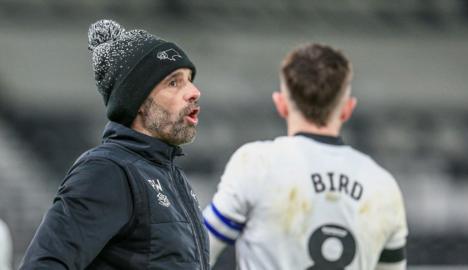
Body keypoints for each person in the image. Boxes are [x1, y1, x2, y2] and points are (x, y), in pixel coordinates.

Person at [20, 19, 209, 270]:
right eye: (174, 82)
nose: (194, 91)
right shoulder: (107, 171)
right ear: (138, 101)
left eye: (189, 79)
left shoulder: (171, 175)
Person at [203, 43, 408, 270]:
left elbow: (196, 252)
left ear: (281, 105)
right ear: (347, 109)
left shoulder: (256, 163)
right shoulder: (383, 185)